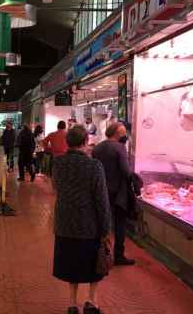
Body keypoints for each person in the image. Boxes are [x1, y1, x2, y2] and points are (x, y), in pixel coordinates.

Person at [52, 125, 111, 314]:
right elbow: (101, 199)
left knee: (71, 262)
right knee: (94, 263)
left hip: (65, 222)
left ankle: (72, 303)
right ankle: (92, 301)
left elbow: (56, 188)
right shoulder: (94, 166)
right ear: (85, 142)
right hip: (89, 223)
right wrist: (105, 228)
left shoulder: (58, 163)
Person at [92, 122, 135, 266]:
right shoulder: (119, 147)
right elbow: (125, 171)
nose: (125, 136)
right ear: (117, 133)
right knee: (119, 223)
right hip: (117, 193)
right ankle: (118, 255)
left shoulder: (97, 147)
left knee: (101, 222)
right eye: (123, 133)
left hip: (100, 190)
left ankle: (98, 252)